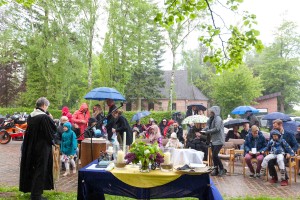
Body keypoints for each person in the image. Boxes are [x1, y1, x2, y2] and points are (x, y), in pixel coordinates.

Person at [19, 97, 57, 200]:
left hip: (32, 146)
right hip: (42, 148)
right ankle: (36, 195)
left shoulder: (31, 116)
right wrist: (51, 119)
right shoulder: (44, 117)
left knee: (34, 168)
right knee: (41, 169)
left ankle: (34, 191)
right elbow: (51, 131)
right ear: (44, 105)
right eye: (47, 106)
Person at [267, 119, 299, 185]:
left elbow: (296, 145)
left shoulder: (289, 134)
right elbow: (270, 145)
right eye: (273, 126)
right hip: (275, 154)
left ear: (280, 125)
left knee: (280, 161)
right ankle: (274, 177)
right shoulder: (273, 134)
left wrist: (290, 153)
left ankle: (284, 179)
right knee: (269, 161)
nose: (274, 128)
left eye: (275, 127)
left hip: (287, 155)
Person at [202, 106, 226, 176]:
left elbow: (217, 128)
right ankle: (216, 170)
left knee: (215, 155)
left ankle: (222, 169)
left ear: (214, 112)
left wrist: (207, 132)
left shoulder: (218, 118)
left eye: (211, 111)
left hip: (219, 140)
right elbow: (208, 126)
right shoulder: (211, 119)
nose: (210, 113)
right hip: (213, 140)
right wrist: (204, 130)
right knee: (213, 156)